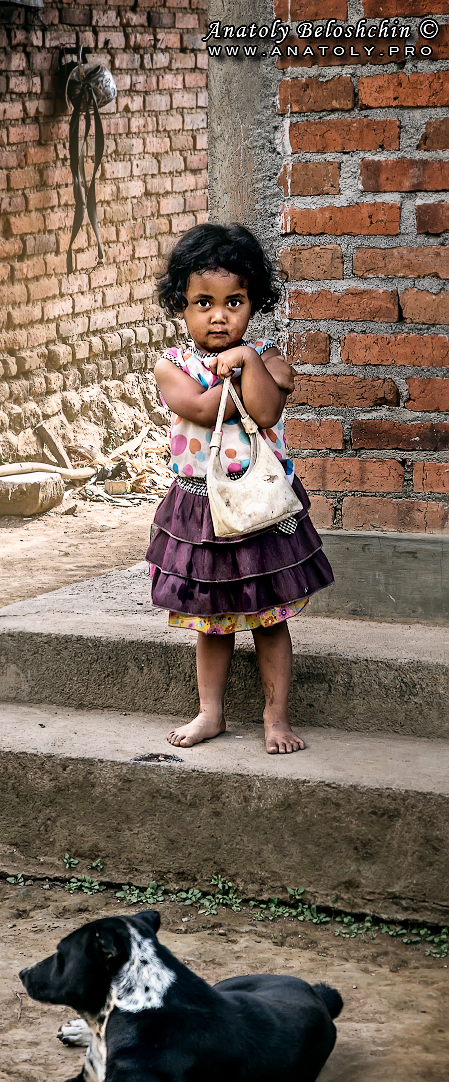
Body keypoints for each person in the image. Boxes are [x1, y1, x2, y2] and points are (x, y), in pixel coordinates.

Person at [146, 223, 333, 754]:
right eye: (203, 302)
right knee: (212, 620)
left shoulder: (270, 360)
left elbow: (267, 407)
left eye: (235, 302)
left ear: (254, 305)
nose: (219, 315)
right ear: (180, 305)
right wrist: (225, 374)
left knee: (270, 617)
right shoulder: (172, 367)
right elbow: (205, 411)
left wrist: (247, 360)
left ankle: (277, 719)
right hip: (202, 511)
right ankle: (211, 713)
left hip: (263, 509)